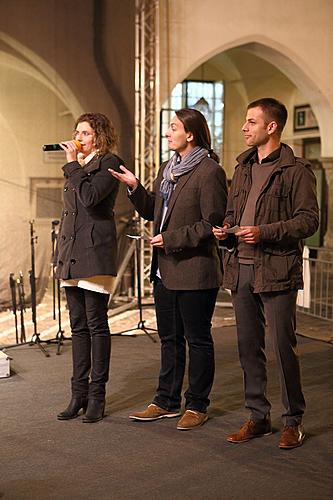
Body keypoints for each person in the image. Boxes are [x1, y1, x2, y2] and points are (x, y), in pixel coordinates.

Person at [110, 108, 228, 430]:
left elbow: (212, 224)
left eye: (173, 127)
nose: (167, 132)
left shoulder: (209, 172)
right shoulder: (167, 169)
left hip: (195, 270)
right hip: (164, 271)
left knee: (198, 340)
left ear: (190, 134)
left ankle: (197, 405)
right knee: (169, 339)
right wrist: (135, 187)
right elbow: (153, 212)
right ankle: (165, 401)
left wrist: (170, 238)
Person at [213, 98, 319, 448]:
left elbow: (308, 220)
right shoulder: (243, 167)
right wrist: (226, 227)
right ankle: (257, 416)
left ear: (271, 127)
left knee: (282, 346)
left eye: (251, 122)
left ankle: (293, 421)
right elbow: (233, 210)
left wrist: (264, 231)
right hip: (240, 267)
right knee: (248, 348)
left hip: (276, 268)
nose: (244, 128)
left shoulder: (296, 170)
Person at [56, 112, 122, 423]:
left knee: (96, 325)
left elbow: (91, 198)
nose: (78, 137)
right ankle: (78, 394)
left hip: (95, 253)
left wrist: (72, 165)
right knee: (78, 326)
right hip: (71, 253)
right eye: (76, 132)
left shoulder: (109, 163)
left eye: (84, 132)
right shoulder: (78, 168)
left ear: (98, 137)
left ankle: (97, 395)